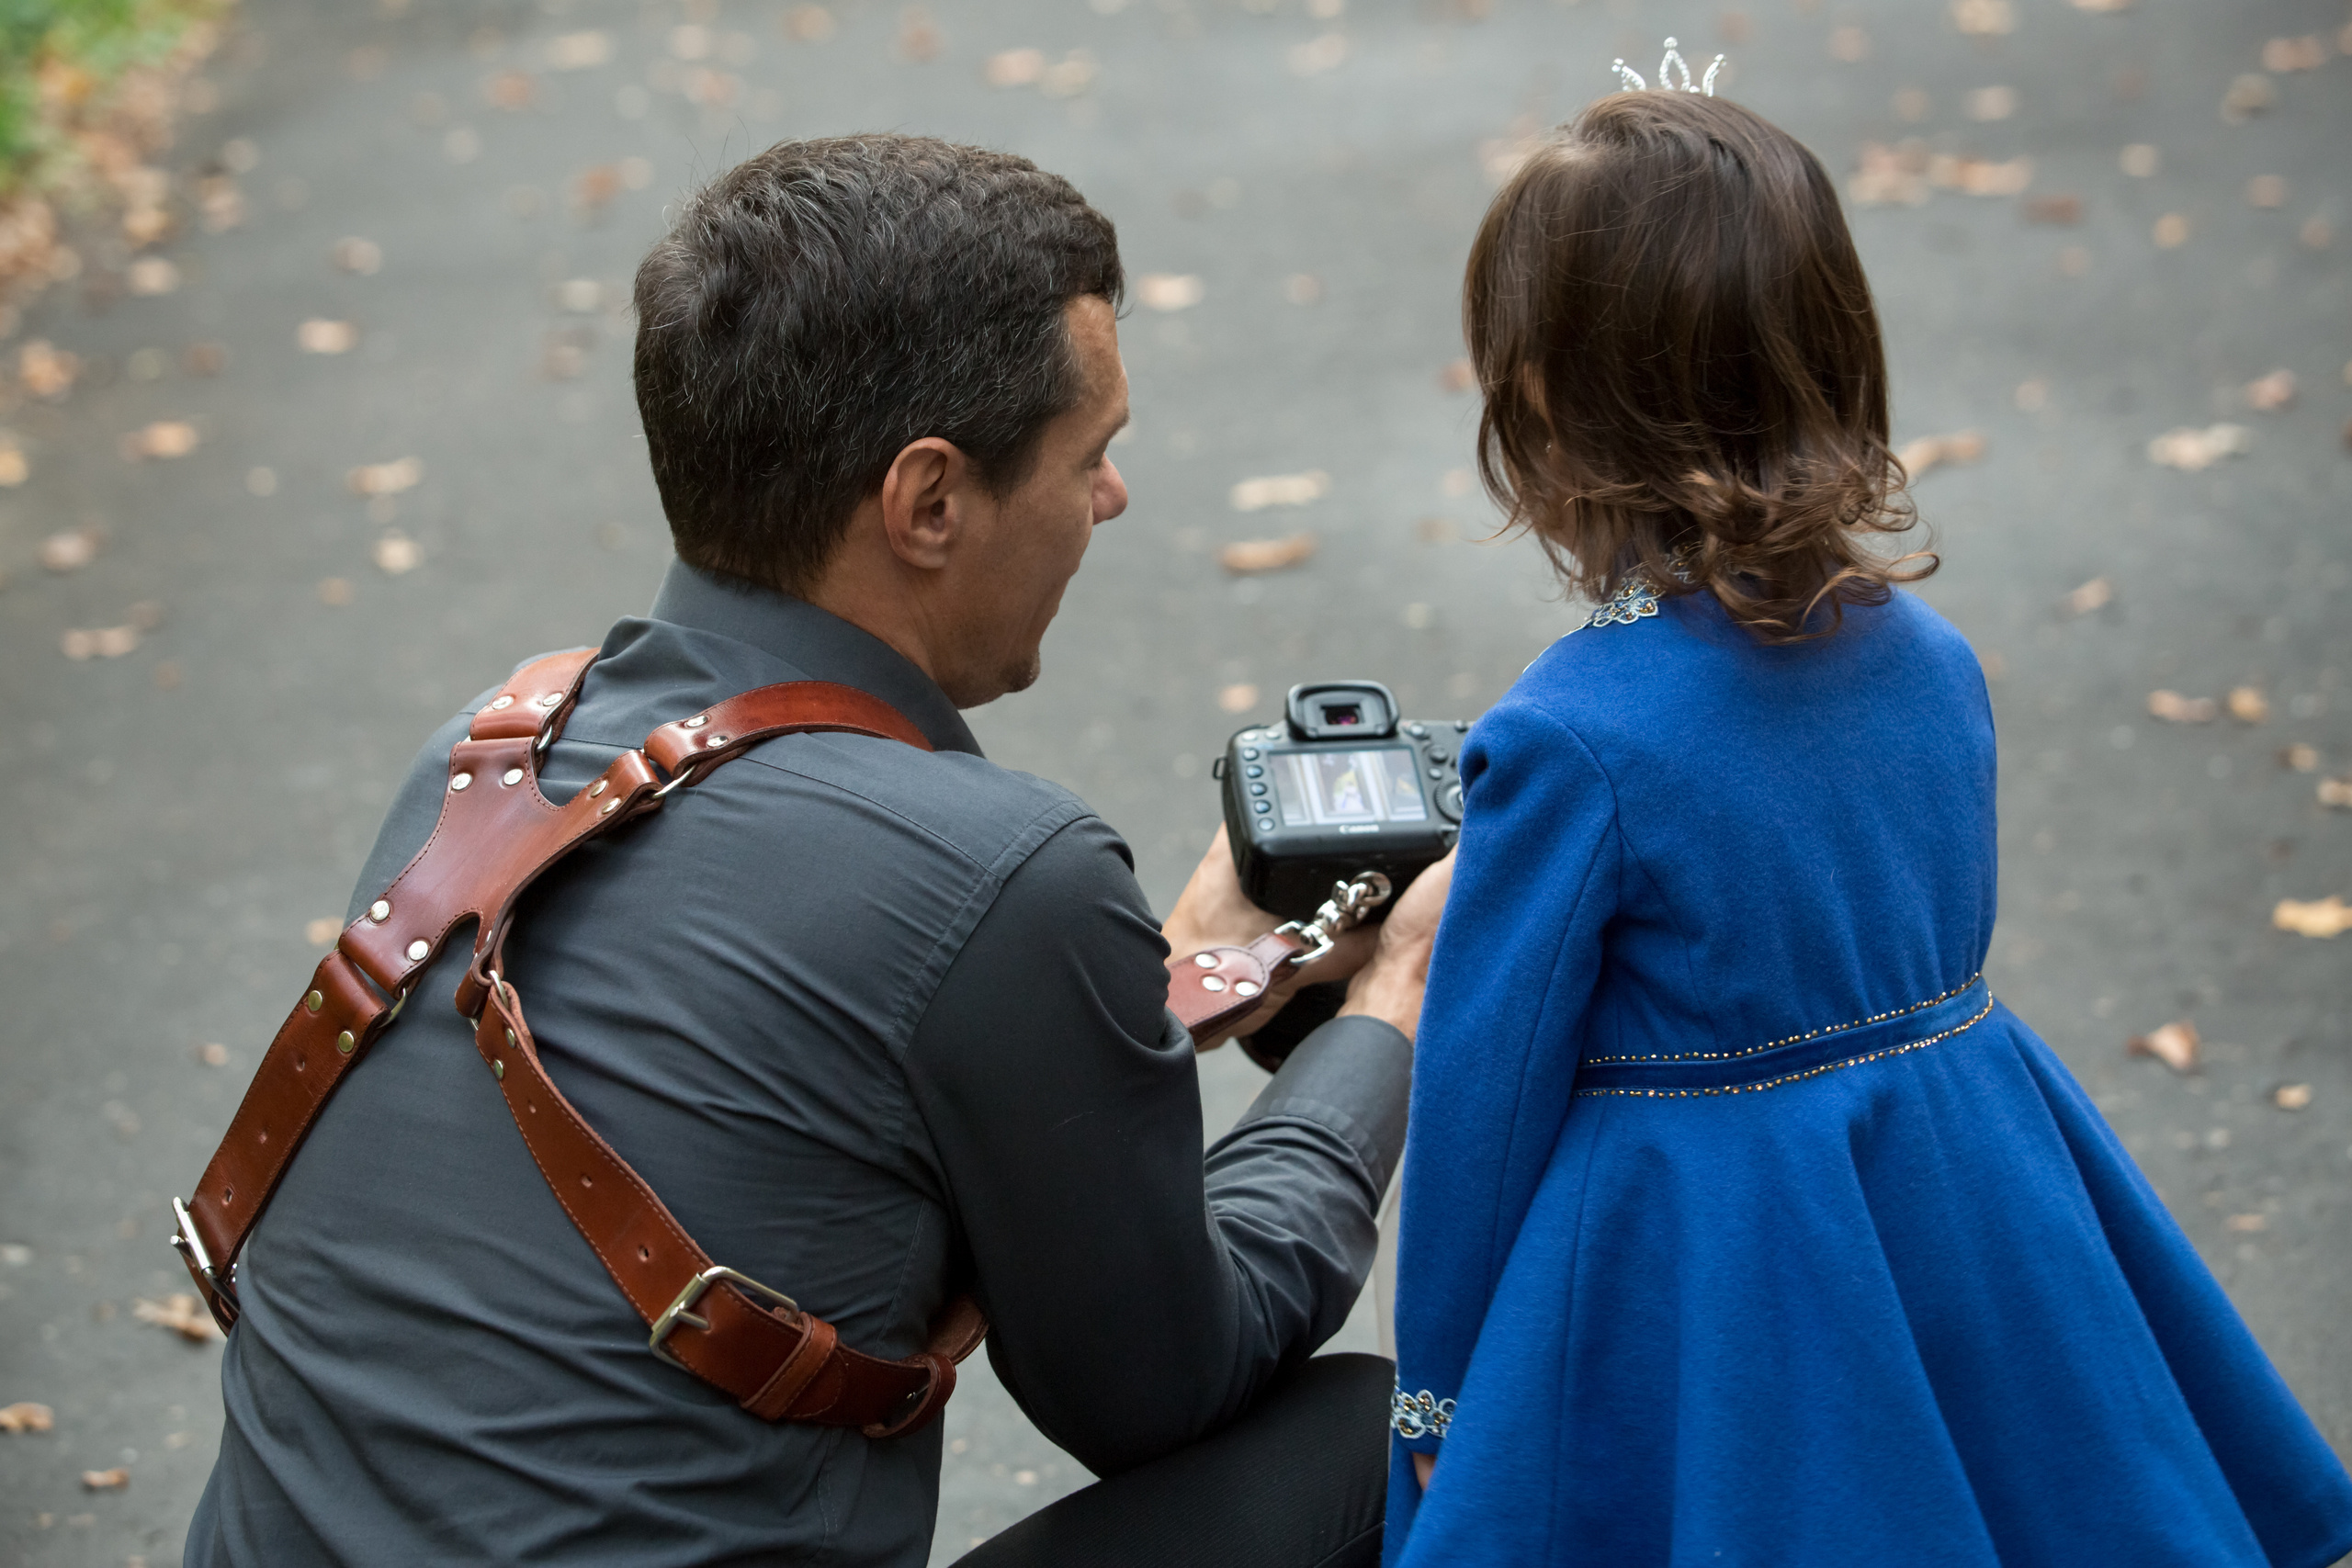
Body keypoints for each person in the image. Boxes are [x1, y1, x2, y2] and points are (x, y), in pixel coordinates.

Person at [185, 135, 1444, 1568]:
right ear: (927, 505)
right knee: (1375, 1438)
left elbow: (818, 1062)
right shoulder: (998, 872)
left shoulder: (487, 757)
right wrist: (1392, 1003)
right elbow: (1163, 1384)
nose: (1111, 499)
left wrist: (1166, 976)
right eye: (1089, 454)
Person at [1384, 88, 2352, 1567]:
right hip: (1966, 1193)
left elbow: (1486, 1099)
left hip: (1707, 1271)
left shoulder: (1572, 737)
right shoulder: (1932, 660)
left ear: (1546, 411)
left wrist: (1442, 1393)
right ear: (1836, 357)